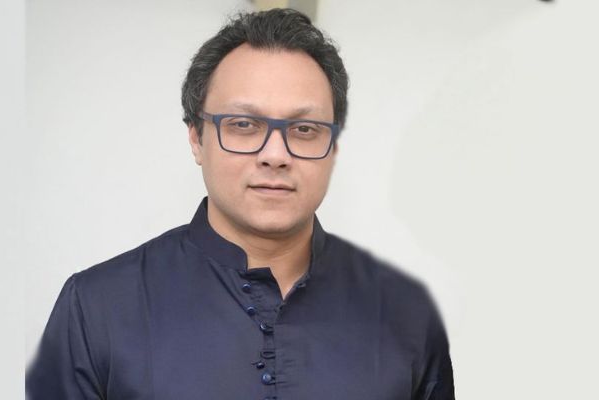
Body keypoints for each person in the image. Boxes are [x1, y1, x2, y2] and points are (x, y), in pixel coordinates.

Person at [26, 8, 454, 400]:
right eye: (244, 125)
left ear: (333, 147)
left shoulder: (405, 314)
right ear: (197, 138)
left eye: (305, 129)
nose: (275, 155)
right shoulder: (97, 308)